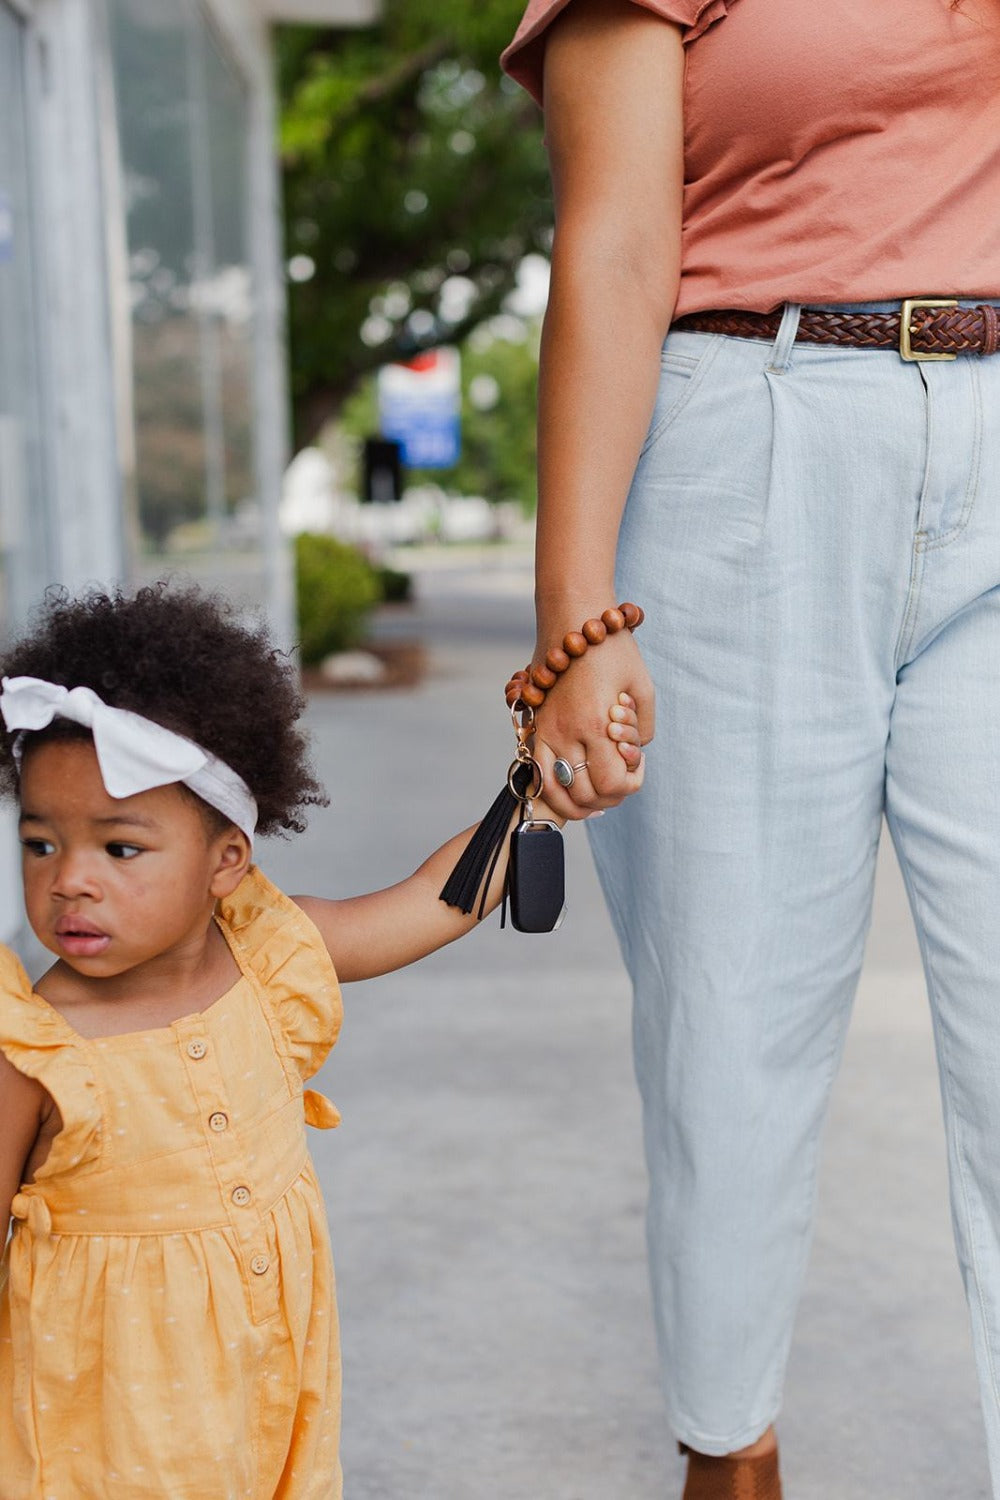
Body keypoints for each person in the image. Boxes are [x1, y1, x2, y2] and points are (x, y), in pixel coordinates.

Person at [500, 0, 1000, 1496]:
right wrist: (576, 620)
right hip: (753, 449)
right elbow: (615, 247)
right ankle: (733, 1456)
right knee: (734, 1031)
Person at [0, 582, 641, 1499]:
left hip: (258, 1392)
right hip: (97, 1434)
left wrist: (533, 799)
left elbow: (431, 900)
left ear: (228, 860)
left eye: (120, 848)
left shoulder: (268, 960)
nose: (70, 882)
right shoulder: (31, 1046)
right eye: (40, 844)